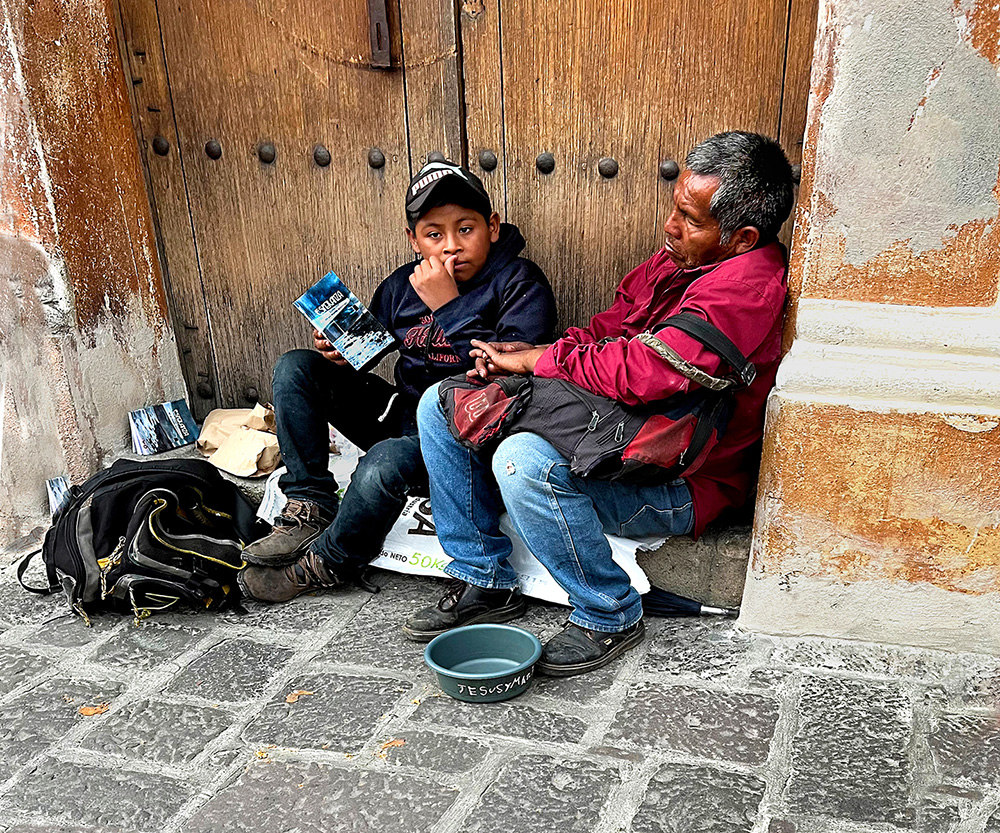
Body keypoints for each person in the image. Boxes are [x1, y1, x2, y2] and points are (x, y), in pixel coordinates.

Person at [404, 131, 794, 677]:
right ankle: (484, 577)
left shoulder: (745, 290)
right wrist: (525, 354)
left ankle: (609, 612)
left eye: (690, 219)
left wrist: (542, 361)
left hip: (679, 483)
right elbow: (607, 332)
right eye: (674, 208)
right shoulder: (681, 260)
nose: (670, 226)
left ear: (742, 238)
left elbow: (644, 371)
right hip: (617, 440)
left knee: (523, 461)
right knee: (441, 404)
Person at [239, 161, 557, 603]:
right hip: (404, 417)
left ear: (493, 226)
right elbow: (367, 354)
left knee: (383, 462)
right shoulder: (402, 286)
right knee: (297, 367)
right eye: (434, 234)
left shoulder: (520, 282)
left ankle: (330, 563)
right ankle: (310, 503)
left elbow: (506, 372)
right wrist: (339, 350)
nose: (451, 246)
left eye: (466, 229)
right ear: (413, 240)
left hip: (465, 442)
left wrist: (449, 306)